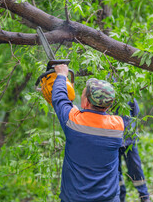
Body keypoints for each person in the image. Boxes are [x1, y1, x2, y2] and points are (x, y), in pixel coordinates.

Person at [52, 64, 125, 202]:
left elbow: (59, 99)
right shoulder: (117, 126)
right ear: (108, 105)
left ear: (85, 102)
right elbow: (96, 120)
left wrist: (61, 75)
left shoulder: (73, 122)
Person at [118, 99, 151, 202]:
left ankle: (144, 196)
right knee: (115, 171)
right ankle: (120, 197)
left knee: (136, 168)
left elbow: (135, 113)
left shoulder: (128, 93)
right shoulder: (107, 91)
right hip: (114, 140)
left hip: (129, 139)